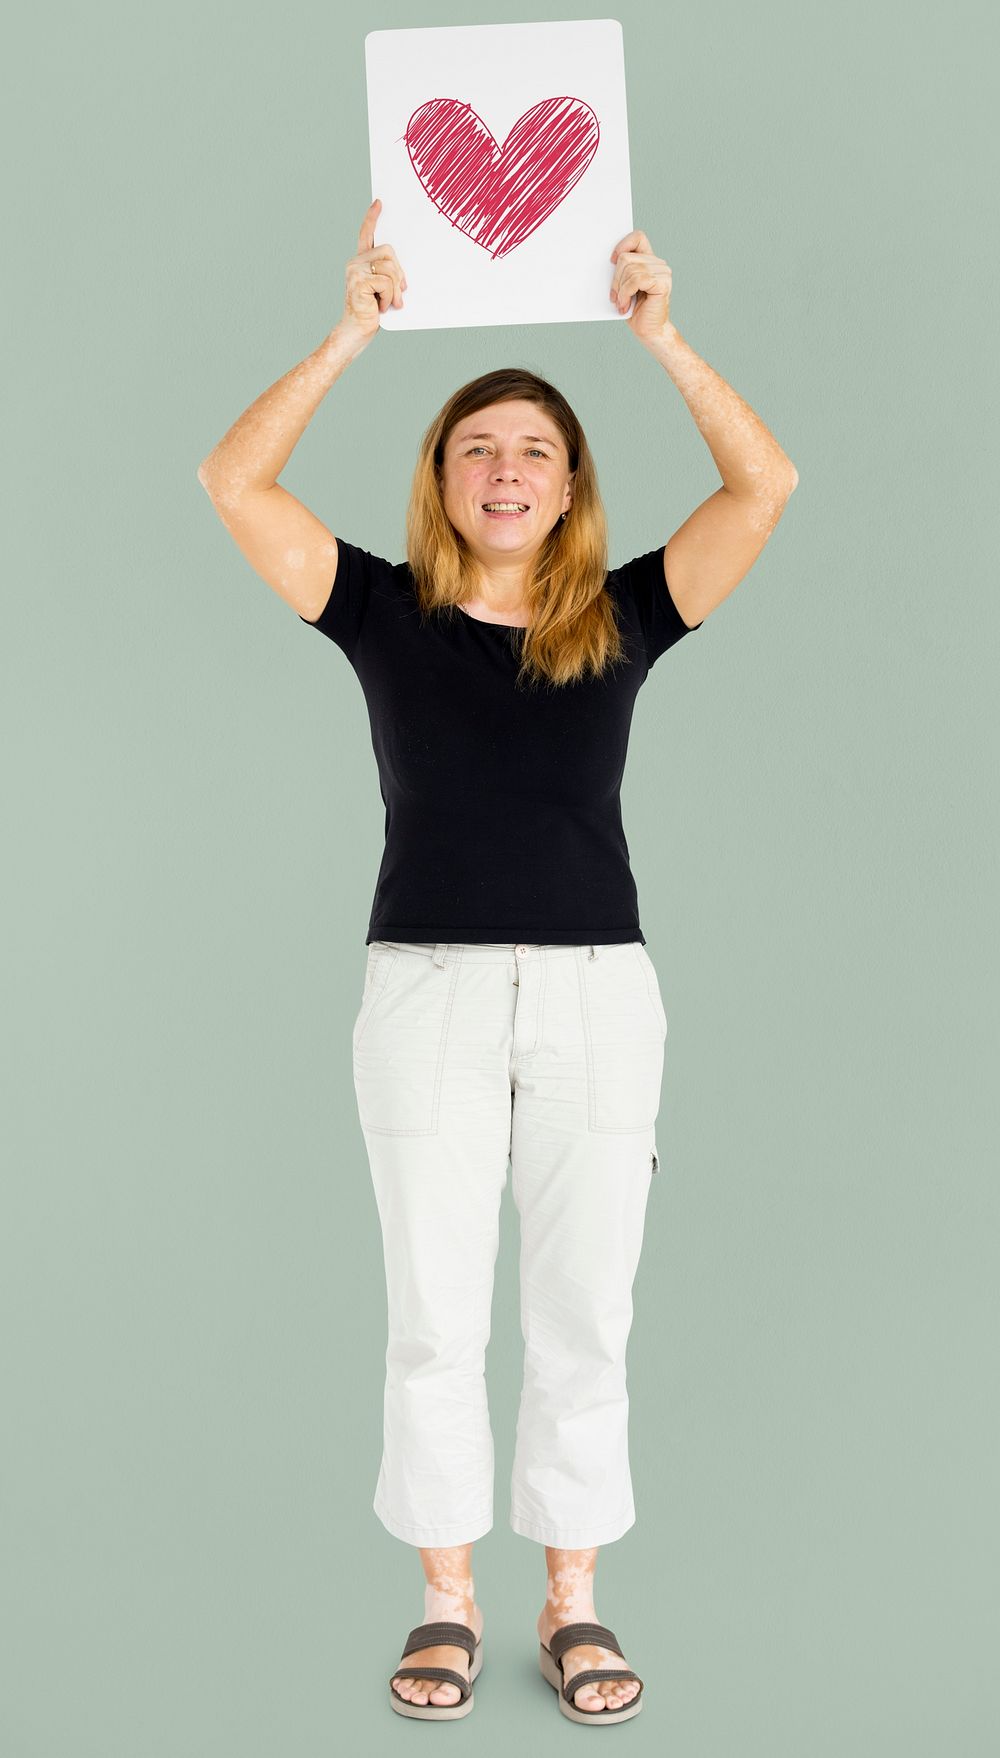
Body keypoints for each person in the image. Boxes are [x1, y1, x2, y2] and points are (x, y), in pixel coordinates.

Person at [198, 197, 798, 1725]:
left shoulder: (628, 614)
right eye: (479, 448)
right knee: (436, 1310)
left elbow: (765, 482)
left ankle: (574, 1598)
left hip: (601, 993)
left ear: (571, 482)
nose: (507, 469)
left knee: (587, 1308)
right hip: (429, 993)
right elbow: (234, 478)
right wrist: (355, 328)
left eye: (536, 449)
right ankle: (446, 1598)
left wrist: (660, 334)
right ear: (441, 477)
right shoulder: (381, 613)